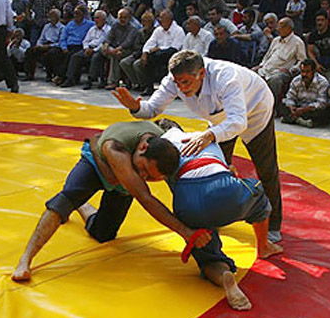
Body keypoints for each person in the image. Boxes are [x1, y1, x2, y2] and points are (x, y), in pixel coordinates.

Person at [113, 50, 284, 243]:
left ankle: (273, 224)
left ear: (202, 73)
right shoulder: (175, 79)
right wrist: (134, 106)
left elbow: (238, 122)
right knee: (219, 167)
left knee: (266, 167)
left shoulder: (226, 77)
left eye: (186, 82)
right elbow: (152, 109)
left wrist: (210, 135)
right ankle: (218, 212)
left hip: (255, 108)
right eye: (177, 83)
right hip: (219, 118)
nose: (181, 88)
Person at [11, 120, 209, 282]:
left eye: (149, 177)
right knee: (63, 202)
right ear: (142, 147)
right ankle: (25, 259)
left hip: (121, 180)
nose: (142, 175)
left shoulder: (164, 150)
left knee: (103, 234)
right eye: (142, 170)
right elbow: (145, 197)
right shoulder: (117, 147)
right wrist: (185, 232)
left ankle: (81, 205)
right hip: (95, 165)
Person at [154, 121, 282, 311]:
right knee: (258, 196)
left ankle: (223, 276)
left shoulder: (162, 148)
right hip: (223, 187)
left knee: (207, 256)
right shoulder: (204, 135)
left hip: (187, 201)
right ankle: (263, 245)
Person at [254, 17, 307, 114]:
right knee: (250, 73)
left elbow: (302, 61)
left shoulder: (297, 42)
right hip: (266, 69)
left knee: (275, 80)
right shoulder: (275, 40)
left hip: (281, 71)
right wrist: (260, 65)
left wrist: (292, 69)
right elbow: (267, 56)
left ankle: (271, 108)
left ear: (289, 28)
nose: (278, 29)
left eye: (281, 27)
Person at [136, 9, 184, 96]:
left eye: (162, 17)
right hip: (157, 54)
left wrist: (159, 48)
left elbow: (175, 47)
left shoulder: (178, 30)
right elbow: (150, 42)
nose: (159, 20)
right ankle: (149, 87)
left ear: (169, 19)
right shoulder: (158, 30)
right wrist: (145, 52)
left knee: (156, 57)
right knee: (148, 58)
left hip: (172, 54)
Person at [93, 8, 139, 90]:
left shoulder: (133, 28)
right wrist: (106, 45)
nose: (122, 19)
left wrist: (116, 50)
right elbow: (109, 37)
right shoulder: (116, 25)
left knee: (115, 55)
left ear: (129, 18)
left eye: (125, 17)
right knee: (102, 48)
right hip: (113, 49)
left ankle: (113, 82)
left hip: (127, 50)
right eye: (120, 17)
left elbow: (128, 43)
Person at [281, 58, 330, 128]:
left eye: (307, 72)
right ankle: (300, 120)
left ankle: (294, 119)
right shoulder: (296, 80)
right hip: (299, 106)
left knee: (323, 112)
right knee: (283, 104)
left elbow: (322, 103)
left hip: (311, 109)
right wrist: (292, 107)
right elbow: (290, 97)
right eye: (302, 71)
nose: (304, 74)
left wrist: (304, 109)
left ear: (313, 71)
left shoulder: (322, 82)